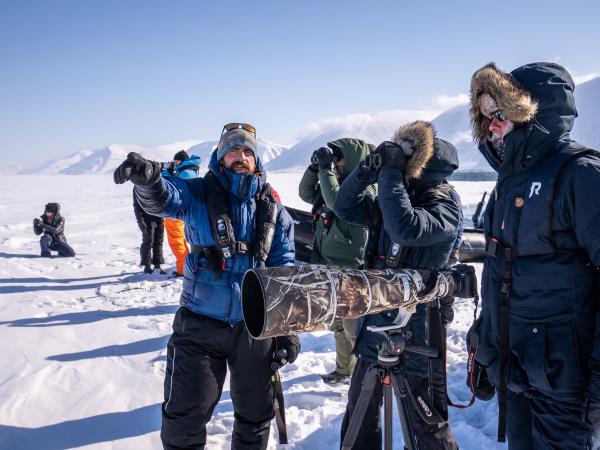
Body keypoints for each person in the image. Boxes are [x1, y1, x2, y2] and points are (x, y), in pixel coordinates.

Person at [113, 122, 299, 450]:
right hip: (199, 324)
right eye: (232, 150)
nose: (240, 156)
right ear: (220, 156)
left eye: (246, 151)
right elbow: (164, 200)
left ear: (256, 159)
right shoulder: (198, 193)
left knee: (256, 417)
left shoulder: (274, 211)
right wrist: (148, 181)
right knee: (183, 420)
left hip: (255, 328)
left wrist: (288, 330)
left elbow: (284, 274)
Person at [468, 62, 600, 449]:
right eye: (488, 117)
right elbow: (499, 273)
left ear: (532, 111)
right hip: (519, 369)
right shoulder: (508, 183)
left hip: (568, 382)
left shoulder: (581, 175)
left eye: (500, 114)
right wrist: (486, 343)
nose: (492, 126)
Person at [334, 121, 461, 449]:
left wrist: (390, 174)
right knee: (359, 415)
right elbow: (344, 207)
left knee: (426, 423)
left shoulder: (443, 203)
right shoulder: (394, 198)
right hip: (376, 321)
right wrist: (367, 168)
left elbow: (405, 229)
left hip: (418, 330)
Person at [298, 138, 373, 385]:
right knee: (338, 324)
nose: (335, 162)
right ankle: (345, 371)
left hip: (351, 269)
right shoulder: (334, 182)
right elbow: (306, 194)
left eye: (338, 157)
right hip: (329, 265)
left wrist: (325, 171)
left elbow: (337, 204)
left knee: (354, 329)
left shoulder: (365, 186)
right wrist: (314, 169)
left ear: (351, 159)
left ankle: (368, 377)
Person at [162, 150, 201, 277]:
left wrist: (165, 174)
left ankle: (183, 269)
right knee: (181, 240)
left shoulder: (185, 172)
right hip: (183, 211)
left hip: (177, 211)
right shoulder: (188, 170)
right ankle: (185, 266)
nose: (174, 164)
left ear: (182, 161)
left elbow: (171, 188)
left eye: (176, 161)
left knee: (176, 241)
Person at [133, 190, 165, 274]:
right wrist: (140, 221)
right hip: (146, 219)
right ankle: (147, 266)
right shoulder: (138, 186)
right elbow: (137, 206)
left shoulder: (157, 181)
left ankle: (157, 265)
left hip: (159, 217)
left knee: (158, 241)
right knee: (148, 241)